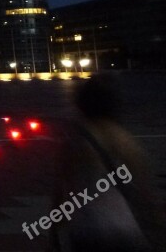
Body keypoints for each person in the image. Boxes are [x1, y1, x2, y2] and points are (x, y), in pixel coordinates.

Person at [50, 73, 165, 251]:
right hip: (125, 229)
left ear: (83, 103)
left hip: (87, 230)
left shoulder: (76, 141)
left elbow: (61, 191)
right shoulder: (126, 141)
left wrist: (53, 234)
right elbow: (146, 193)